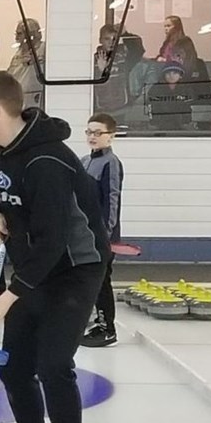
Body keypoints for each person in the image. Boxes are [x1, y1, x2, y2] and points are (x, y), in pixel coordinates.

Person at [0, 70, 110, 423]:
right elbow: (5, 187)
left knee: (52, 365)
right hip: (37, 265)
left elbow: (54, 241)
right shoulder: (6, 148)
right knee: (14, 366)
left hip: (75, 268)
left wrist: (11, 296)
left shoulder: (46, 161)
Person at [80, 113, 123, 348]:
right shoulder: (85, 160)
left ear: (111, 136)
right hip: (84, 234)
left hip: (101, 235)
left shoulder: (111, 163)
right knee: (89, 279)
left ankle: (108, 328)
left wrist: (106, 235)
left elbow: (111, 198)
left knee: (101, 280)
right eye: (89, 132)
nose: (92, 137)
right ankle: (95, 322)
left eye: (98, 133)